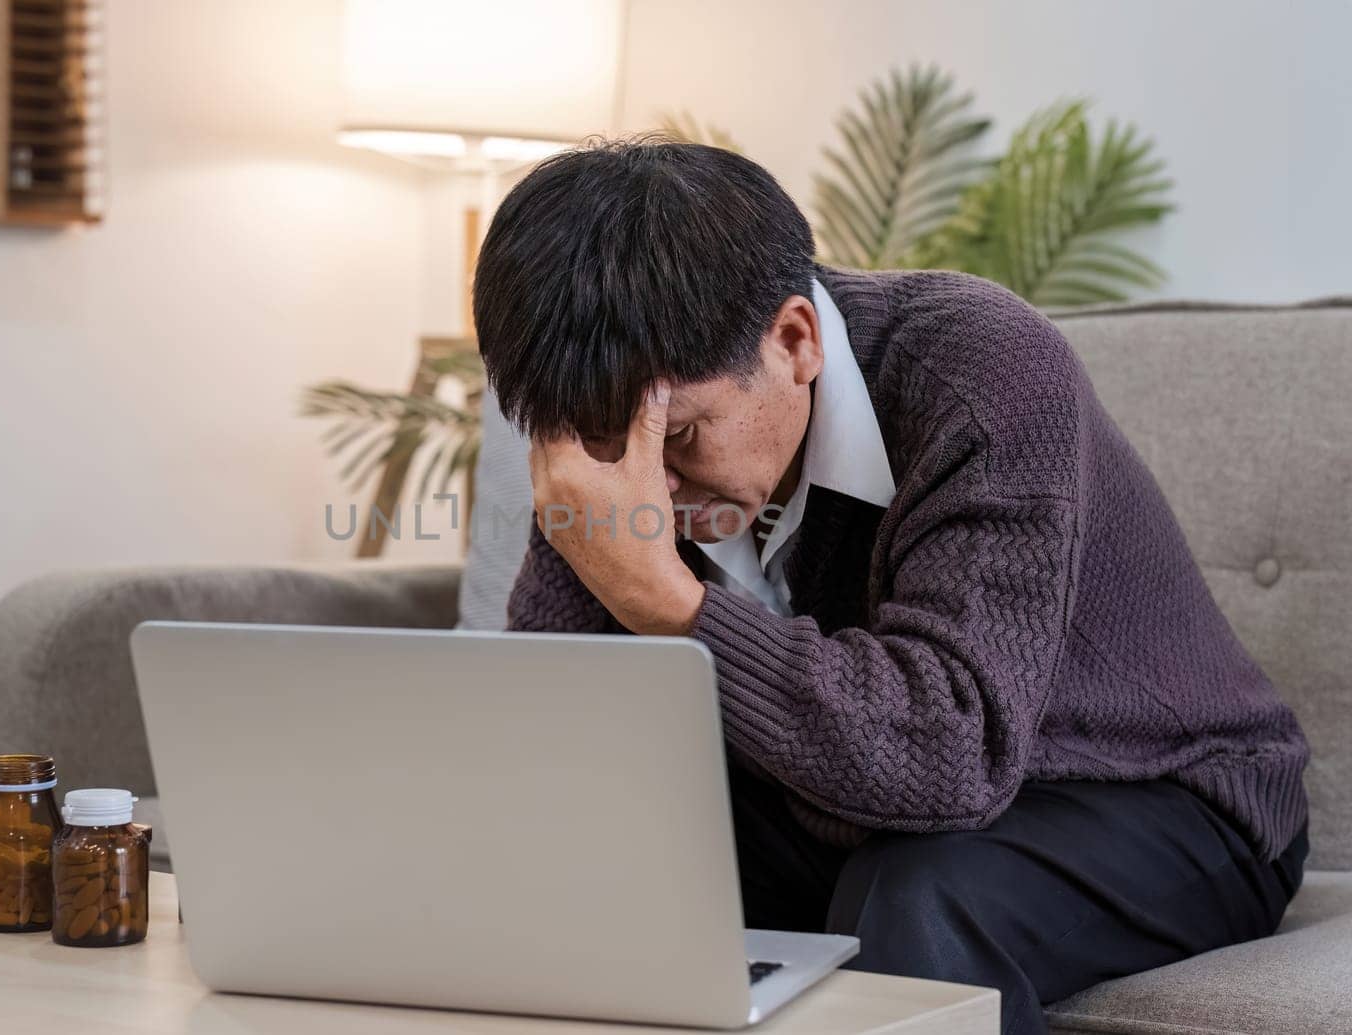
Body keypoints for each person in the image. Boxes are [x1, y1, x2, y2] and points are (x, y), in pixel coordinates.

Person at [471, 136, 1310, 1035]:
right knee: (565, 876)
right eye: (609, 450)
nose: (652, 494)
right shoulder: (623, 452)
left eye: (679, 439)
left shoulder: (985, 374)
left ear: (795, 341)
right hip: (846, 805)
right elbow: (555, 756)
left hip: (1162, 794)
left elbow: (955, 754)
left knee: (916, 899)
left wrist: (671, 604)